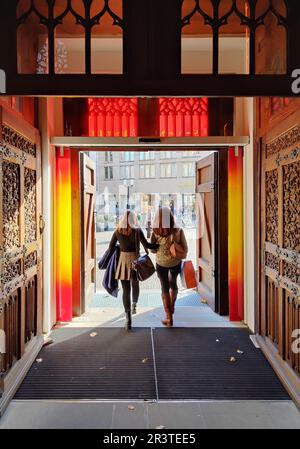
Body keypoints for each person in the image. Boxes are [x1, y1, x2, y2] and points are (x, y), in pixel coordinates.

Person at [108, 210, 159, 330]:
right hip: (135, 262)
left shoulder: (117, 231)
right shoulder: (137, 231)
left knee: (126, 290)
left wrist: (120, 247)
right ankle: (134, 305)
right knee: (135, 285)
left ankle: (128, 319)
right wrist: (159, 245)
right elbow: (147, 245)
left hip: (122, 262)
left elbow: (110, 249)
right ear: (133, 219)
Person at [151, 207, 188, 327]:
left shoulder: (155, 231)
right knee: (173, 283)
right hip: (175, 262)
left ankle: (169, 317)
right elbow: (185, 249)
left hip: (161, 263)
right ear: (171, 217)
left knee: (164, 287)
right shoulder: (178, 230)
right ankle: (172, 306)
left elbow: (152, 249)